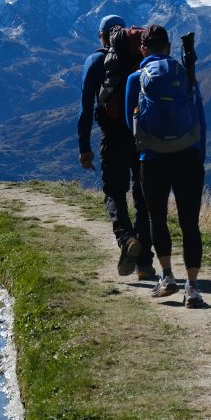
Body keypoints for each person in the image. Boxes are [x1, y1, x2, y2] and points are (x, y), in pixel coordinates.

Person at [124, 24, 207, 308]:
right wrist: (199, 154)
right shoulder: (186, 74)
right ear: (169, 47)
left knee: (157, 218)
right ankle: (192, 288)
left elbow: (130, 121)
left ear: (143, 49)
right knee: (189, 223)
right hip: (189, 156)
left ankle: (168, 277)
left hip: (153, 159)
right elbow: (199, 117)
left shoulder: (136, 78)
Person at [77, 14, 156, 279]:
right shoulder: (142, 56)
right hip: (143, 135)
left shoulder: (95, 61)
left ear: (103, 37)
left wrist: (84, 147)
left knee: (114, 191)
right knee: (143, 196)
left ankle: (125, 237)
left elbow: (85, 108)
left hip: (113, 136)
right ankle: (145, 264)